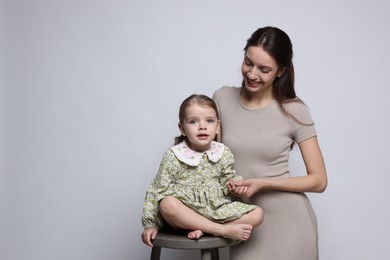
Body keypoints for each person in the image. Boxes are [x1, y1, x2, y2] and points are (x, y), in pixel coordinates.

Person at [212, 26, 328, 260]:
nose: (252, 74)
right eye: (248, 63)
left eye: (264, 69)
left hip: (290, 226)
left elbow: (319, 180)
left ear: (280, 71)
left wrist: (264, 183)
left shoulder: (294, 110)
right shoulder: (222, 99)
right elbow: (212, 162)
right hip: (245, 223)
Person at [141, 94, 264, 247]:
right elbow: (157, 189)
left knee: (257, 214)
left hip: (215, 210)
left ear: (218, 126)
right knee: (167, 203)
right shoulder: (174, 155)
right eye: (193, 122)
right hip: (185, 214)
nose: (202, 126)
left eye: (210, 121)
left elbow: (227, 179)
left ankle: (205, 228)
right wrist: (150, 224)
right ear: (182, 128)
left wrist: (235, 187)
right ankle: (221, 230)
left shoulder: (223, 152)